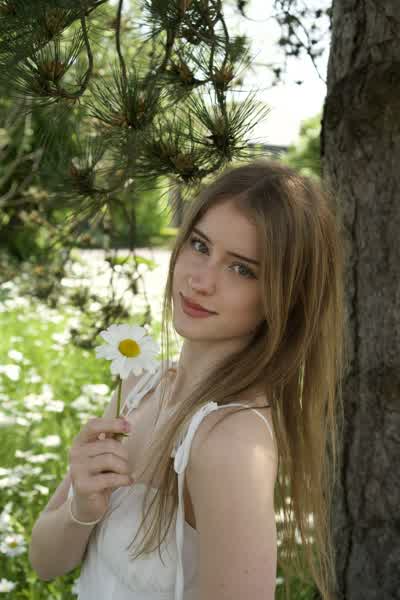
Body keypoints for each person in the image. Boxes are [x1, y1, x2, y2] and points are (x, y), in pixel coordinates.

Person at [29, 159, 346, 600]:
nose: (200, 281)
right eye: (200, 245)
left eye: (242, 269)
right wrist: (81, 507)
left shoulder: (230, 441)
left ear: (283, 298)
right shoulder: (140, 386)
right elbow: (45, 562)